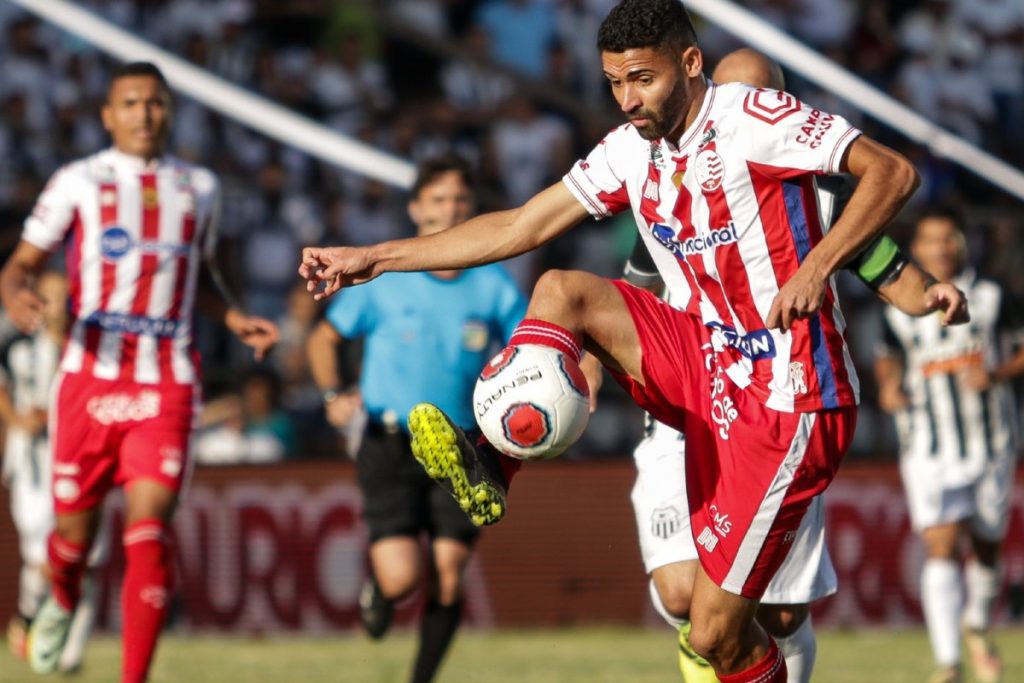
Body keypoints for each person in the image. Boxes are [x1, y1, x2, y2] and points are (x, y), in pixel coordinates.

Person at [299, 1, 925, 679]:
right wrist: (375, 258)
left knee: (720, 634)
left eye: (641, 79)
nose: (628, 99)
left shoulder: (750, 118)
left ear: (690, 65)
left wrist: (819, 266)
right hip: (706, 363)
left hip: (789, 396)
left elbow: (892, 171)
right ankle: (492, 462)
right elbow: (519, 226)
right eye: (615, 83)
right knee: (563, 290)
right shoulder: (634, 149)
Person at [609, 47, 970, 683]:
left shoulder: (825, 200)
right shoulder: (665, 189)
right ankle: (716, 651)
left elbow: (895, 274)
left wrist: (929, 295)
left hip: (784, 408)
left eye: (764, 98)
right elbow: (631, 296)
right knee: (680, 596)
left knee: (779, 613)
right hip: (688, 409)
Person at [0, 62, 278, 683]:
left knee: (149, 530)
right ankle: (63, 598)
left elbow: (197, 274)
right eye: (130, 102)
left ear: (169, 111)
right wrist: (17, 294)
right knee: (69, 540)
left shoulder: (200, 187)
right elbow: (19, 263)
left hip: (167, 379)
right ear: (108, 114)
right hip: (89, 379)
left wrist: (231, 316)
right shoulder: (78, 180)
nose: (144, 114)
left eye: (154, 102)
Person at [306, 154, 526, 683]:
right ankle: (381, 589)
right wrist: (334, 391)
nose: (450, 209)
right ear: (415, 209)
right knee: (403, 576)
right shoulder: (384, 279)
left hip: (462, 446)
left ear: (472, 209)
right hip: (389, 442)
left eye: (459, 200)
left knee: (449, 574)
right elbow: (324, 338)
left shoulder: (493, 285)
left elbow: (527, 346)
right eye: (438, 200)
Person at [875, 207, 1023, 683]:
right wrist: (889, 387)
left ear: (960, 243)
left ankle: (977, 626)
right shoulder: (898, 308)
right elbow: (886, 358)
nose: (940, 248)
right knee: (939, 546)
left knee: (986, 547)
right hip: (928, 446)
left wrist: (997, 373)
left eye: (948, 239)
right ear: (916, 250)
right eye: (930, 241)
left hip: (991, 441)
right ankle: (949, 663)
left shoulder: (995, 295)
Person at [0, 271, 105, 674]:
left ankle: (70, 652)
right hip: (33, 466)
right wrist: (15, 419)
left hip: (85, 461)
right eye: (49, 297)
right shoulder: (21, 350)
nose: (56, 305)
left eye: (64, 297)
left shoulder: (91, 349)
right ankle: (30, 619)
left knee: (87, 559)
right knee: (46, 557)